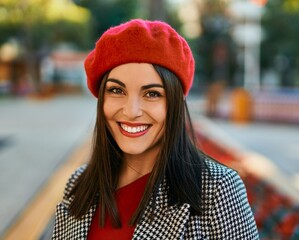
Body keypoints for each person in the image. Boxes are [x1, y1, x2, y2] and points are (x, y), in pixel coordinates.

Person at [52, 19, 259, 239]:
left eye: (152, 94)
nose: (131, 111)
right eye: (116, 90)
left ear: (175, 104)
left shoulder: (217, 190)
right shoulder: (80, 183)